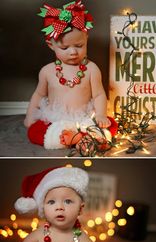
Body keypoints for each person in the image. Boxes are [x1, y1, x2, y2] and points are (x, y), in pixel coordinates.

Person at [25, 1, 117, 150]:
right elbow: (38, 94)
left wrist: (100, 115)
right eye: (65, 47)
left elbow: (99, 94)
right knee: (34, 132)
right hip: (55, 119)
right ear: (51, 45)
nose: (73, 52)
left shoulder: (92, 69)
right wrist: (30, 116)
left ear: (86, 38)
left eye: (79, 46)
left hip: (84, 118)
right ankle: (78, 138)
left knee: (111, 124)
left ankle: (74, 138)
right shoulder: (47, 71)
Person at [1, 166, 103, 242]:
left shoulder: (84, 241)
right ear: (43, 208)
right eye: (51, 202)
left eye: (68, 201)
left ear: (80, 209)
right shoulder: (37, 235)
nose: (59, 207)